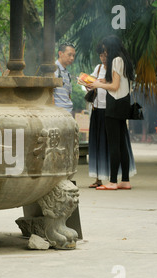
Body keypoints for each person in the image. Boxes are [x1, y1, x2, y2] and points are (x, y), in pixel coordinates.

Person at [83, 43, 136, 188]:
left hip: (113, 105)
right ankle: (125, 180)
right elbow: (116, 82)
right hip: (122, 104)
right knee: (121, 145)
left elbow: (114, 86)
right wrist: (101, 82)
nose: (104, 56)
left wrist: (99, 85)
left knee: (113, 144)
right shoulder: (124, 60)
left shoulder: (116, 61)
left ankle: (112, 181)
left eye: (106, 52)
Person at [54, 42, 76, 115]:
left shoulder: (67, 73)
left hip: (68, 111)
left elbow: (68, 95)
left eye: (73, 55)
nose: (72, 58)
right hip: (57, 113)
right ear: (60, 53)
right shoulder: (53, 70)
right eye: (69, 55)